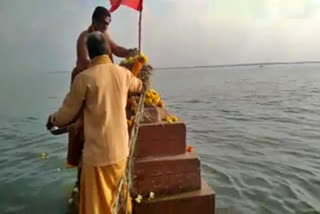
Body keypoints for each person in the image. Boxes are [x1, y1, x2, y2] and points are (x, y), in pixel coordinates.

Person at [47, 32, 142, 214]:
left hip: (97, 157)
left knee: (96, 207)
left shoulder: (84, 79)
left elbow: (66, 114)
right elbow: (139, 86)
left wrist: (53, 120)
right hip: (121, 152)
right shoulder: (123, 74)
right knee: (119, 200)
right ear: (108, 50)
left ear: (89, 54)